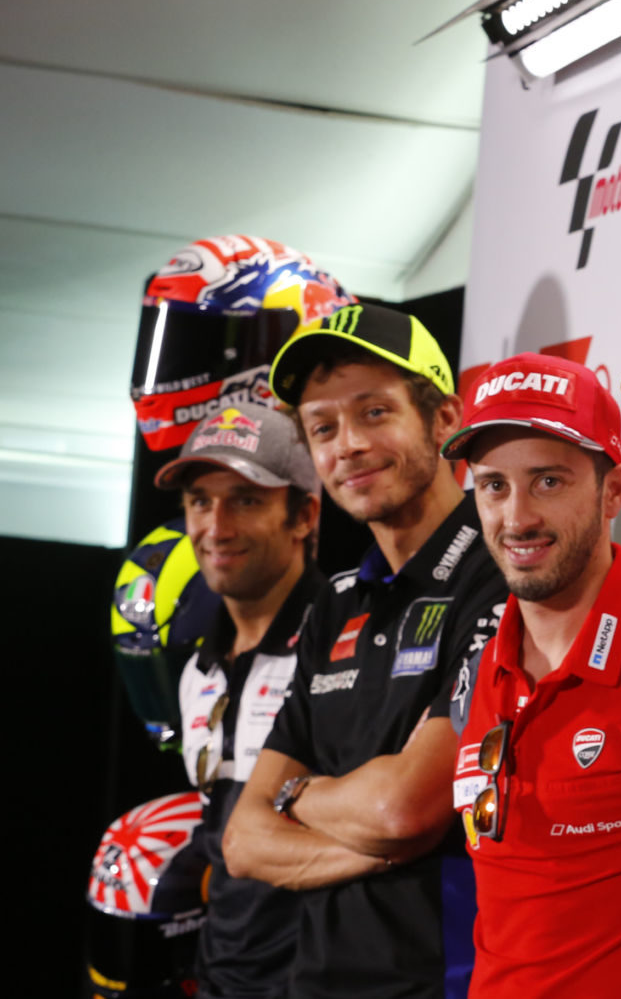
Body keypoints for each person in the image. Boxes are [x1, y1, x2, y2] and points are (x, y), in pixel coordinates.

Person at [224, 303, 507, 998]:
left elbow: (406, 808)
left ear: (445, 421)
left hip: (442, 979)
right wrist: (371, 844)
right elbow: (243, 839)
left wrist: (297, 796)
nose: (345, 445)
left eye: (374, 413)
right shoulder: (335, 602)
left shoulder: (502, 570)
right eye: (323, 427)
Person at [441, 352, 621, 996]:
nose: (516, 517)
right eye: (494, 485)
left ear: (613, 491)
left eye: (548, 481)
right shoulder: (476, 668)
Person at [159, 402, 320, 998]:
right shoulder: (197, 665)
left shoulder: (342, 645)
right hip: (222, 977)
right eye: (201, 501)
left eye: (246, 500)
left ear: (303, 515)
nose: (216, 527)